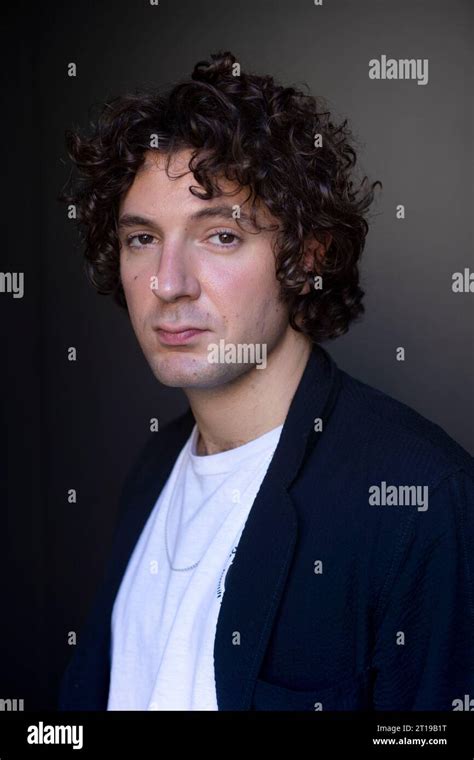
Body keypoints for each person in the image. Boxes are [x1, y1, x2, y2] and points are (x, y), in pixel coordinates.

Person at [57, 51, 474, 711]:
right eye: (142, 239)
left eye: (220, 236)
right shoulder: (152, 468)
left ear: (306, 255)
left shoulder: (423, 498)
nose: (168, 283)